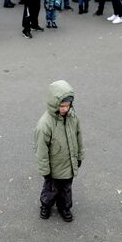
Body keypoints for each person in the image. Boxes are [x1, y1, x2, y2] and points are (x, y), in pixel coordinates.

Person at [34, 80, 84, 223]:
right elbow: (41, 150)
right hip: (53, 167)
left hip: (68, 163)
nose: (64, 109)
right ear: (54, 103)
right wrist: (45, 169)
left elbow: (78, 136)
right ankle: (46, 205)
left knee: (66, 189)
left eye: (67, 105)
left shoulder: (73, 118)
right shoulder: (45, 124)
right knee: (51, 188)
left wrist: (80, 155)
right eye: (61, 106)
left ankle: (64, 207)